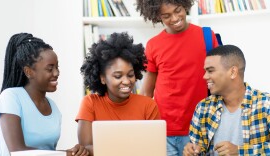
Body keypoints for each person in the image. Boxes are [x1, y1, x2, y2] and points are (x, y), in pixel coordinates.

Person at [135, 0, 219, 155]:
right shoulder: (153, 45)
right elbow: (147, 92)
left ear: (185, 6)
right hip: (163, 129)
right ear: (157, 16)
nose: (174, 18)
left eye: (178, 10)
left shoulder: (207, 36)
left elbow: (220, 81)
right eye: (166, 15)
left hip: (198, 129)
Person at [0, 33, 88, 156]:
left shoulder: (53, 108)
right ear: (29, 71)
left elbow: (49, 152)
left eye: (57, 67)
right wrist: (67, 154)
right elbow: (17, 151)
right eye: (50, 69)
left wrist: (76, 152)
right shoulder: (11, 97)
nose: (56, 73)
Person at [76, 32, 161, 156]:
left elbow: (155, 149)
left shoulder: (148, 105)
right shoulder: (90, 103)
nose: (127, 81)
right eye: (118, 76)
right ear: (102, 78)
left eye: (130, 75)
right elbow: (86, 149)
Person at [183, 45, 270, 155]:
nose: (205, 76)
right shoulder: (203, 108)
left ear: (233, 72)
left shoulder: (265, 104)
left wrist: (240, 152)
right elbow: (197, 147)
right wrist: (192, 151)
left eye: (210, 71)